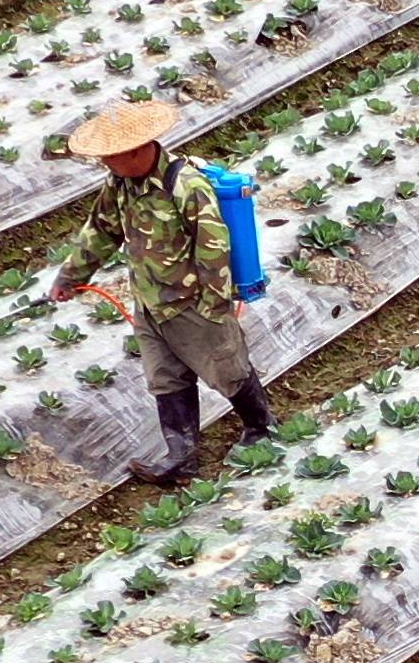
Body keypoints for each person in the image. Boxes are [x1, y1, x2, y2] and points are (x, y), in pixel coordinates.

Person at [53, 100, 274, 477]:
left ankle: (261, 429)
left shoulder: (186, 185)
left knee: (226, 368)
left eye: (111, 156)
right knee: (165, 378)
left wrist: (213, 305)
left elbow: (213, 246)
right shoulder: (119, 183)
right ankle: (180, 456)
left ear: (138, 150)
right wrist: (70, 276)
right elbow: (102, 230)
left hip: (193, 302)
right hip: (150, 302)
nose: (105, 163)